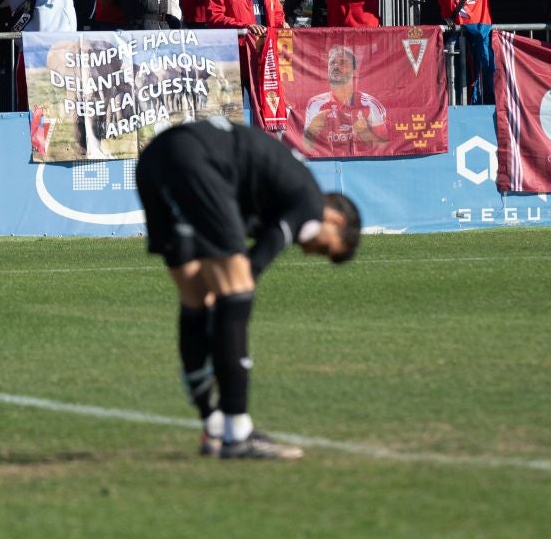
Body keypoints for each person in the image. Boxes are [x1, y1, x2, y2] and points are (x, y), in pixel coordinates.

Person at [133, 118, 360, 460]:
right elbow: (255, 262)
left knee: (196, 295)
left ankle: (211, 424)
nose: (312, 252)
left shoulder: (270, 191)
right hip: (196, 158)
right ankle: (238, 432)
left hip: (154, 158)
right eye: (326, 248)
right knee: (237, 290)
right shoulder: (310, 203)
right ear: (336, 221)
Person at [291, 45, 391, 156]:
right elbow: (305, 147)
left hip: (361, 168)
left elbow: (387, 148)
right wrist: (311, 132)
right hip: (328, 166)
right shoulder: (315, 104)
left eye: (343, 62)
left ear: (354, 71)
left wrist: (366, 134)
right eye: (332, 63)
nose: (336, 66)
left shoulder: (370, 104)